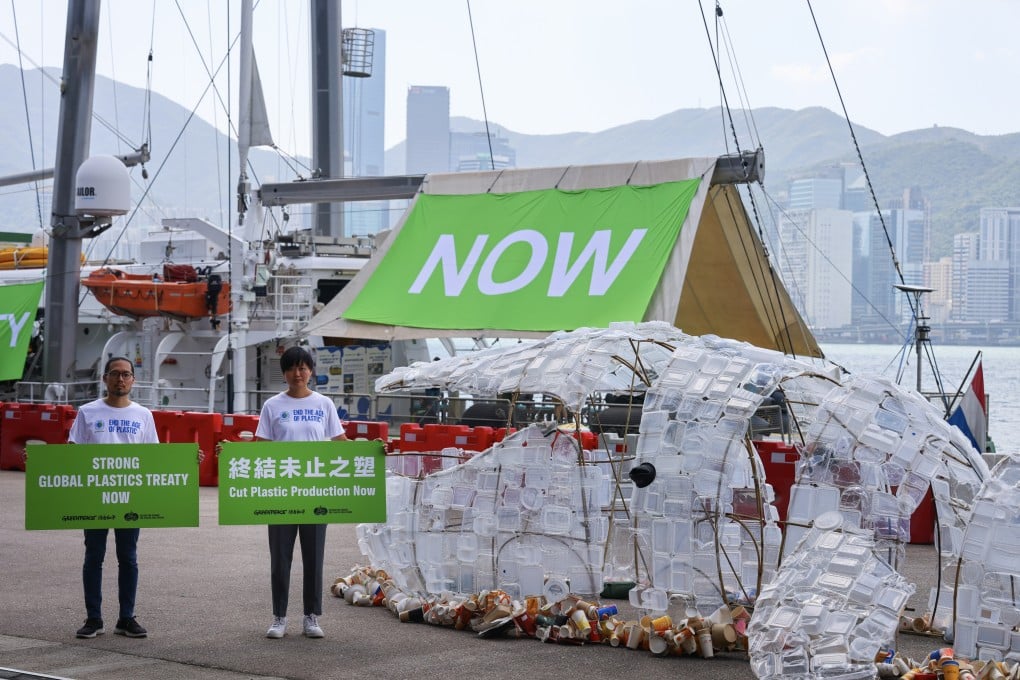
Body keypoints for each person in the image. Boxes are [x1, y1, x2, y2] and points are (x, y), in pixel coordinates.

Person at [255, 346, 346, 639]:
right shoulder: (272, 406)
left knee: (314, 556)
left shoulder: (324, 404)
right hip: (282, 492)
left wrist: (373, 451)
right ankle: (279, 617)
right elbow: (262, 448)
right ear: (284, 373)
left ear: (311, 371)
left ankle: (311, 617)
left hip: (316, 491)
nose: (298, 373)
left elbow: (341, 441)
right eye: (293, 368)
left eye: (304, 367)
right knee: (280, 558)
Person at [68, 356, 158, 640]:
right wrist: (39, 463)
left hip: (130, 496)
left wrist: (189, 461)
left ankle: (126, 618)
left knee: (128, 558)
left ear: (133, 380)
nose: (121, 379)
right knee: (93, 557)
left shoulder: (143, 415)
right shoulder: (87, 412)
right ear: (104, 378)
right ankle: (94, 618)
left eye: (126, 374)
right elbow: (72, 453)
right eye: (115, 374)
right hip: (95, 495)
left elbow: (154, 458)